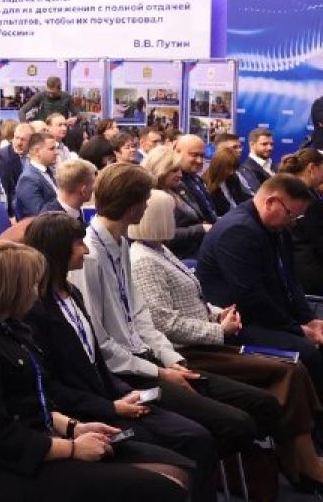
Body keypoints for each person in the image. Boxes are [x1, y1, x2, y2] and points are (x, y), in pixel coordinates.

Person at [0, 239, 190, 502]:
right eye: (32, 284)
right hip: (4, 472)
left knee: (178, 468)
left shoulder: (7, 327)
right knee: (167, 487)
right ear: (10, 290)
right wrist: (72, 448)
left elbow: (26, 401)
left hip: (36, 446)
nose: (36, 293)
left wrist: (73, 428)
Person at [76, 163, 277, 469]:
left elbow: (140, 316)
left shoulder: (120, 244)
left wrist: (170, 359)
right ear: (131, 206)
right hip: (126, 373)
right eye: (145, 200)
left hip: (150, 359)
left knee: (260, 403)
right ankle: (202, 473)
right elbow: (102, 345)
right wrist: (159, 372)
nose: (147, 207)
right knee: (235, 424)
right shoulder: (89, 256)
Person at [129, 190, 323, 490]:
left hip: (209, 339)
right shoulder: (144, 260)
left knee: (292, 369)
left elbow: (194, 302)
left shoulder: (160, 250)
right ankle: (300, 460)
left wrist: (219, 314)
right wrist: (219, 330)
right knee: (290, 370)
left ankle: (299, 457)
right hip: (191, 351)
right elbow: (164, 324)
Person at [22, 213, 215, 502]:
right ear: (58, 251)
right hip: (85, 414)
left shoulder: (72, 293)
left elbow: (96, 362)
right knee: (185, 449)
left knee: (197, 435)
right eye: (79, 244)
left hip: (111, 399)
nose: (86, 250)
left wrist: (124, 393)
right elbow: (53, 388)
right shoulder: (35, 312)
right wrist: (110, 406)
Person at [196, 173, 323, 392]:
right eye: (291, 215)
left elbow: (290, 280)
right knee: (308, 352)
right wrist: (298, 329)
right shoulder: (237, 231)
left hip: (268, 314)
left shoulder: (276, 227)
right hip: (239, 323)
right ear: (271, 202)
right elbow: (251, 298)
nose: (293, 222)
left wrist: (309, 320)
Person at [141, 145, 211, 259]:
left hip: (197, 248)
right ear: (160, 170)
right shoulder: (152, 198)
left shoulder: (179, 189)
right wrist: (199, 229)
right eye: (174, 170)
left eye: (179, 169)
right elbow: (160, 236)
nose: (180, 174)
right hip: (179, 256)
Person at [282, 149, 323, 294]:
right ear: (312, 168)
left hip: (294, 267)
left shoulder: (290, 190)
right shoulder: (309, 201)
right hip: (311, 274)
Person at [15, 132, 60, 218]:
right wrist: (64, 200)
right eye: (52, 149)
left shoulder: (48, 171)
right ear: (37, 151)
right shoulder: (28, 179)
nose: (56, 152)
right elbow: (40, 214)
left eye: (56, 148)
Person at [203, 146, 251, 216]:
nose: (231, 172)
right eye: (228, 168)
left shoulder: (233, 177)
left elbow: (241, 198)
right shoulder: (205, 184)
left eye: (233, 168)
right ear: (218, 166)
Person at [0, 121, 32, 206]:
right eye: (16, 138)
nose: (19, 143)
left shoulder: (35, 154)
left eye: (23, 140)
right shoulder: (3, 157)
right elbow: (7, 190)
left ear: (31, 141)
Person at [239, 127, 275, 194]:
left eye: (271, 144)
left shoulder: (276, 166)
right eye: (264, 144)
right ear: (252, 145)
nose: (270, 148)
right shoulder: (246, 170)